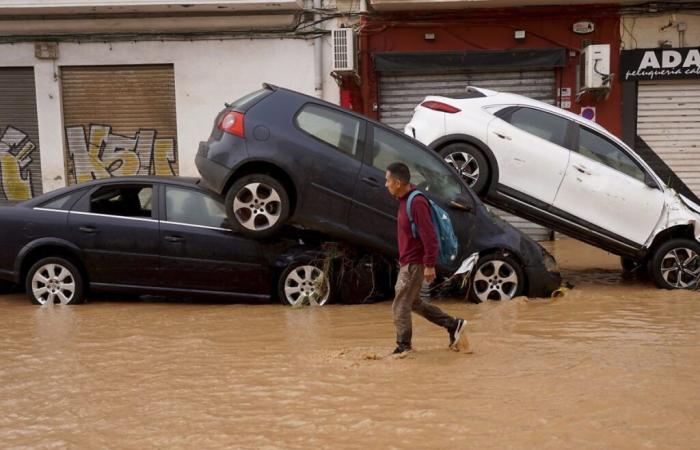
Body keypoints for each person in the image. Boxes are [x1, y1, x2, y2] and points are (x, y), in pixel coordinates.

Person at [385, 162, 468, 355]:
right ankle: (453, 325)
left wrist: (429, 264)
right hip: (408, 262)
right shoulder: (405, 200)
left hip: (415, 263)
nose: (385, 184)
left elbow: (429, 236)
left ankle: (403, 347)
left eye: (387, 180)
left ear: (397, 182)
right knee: (412, 303)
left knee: (400, 305)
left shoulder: (416, 202)